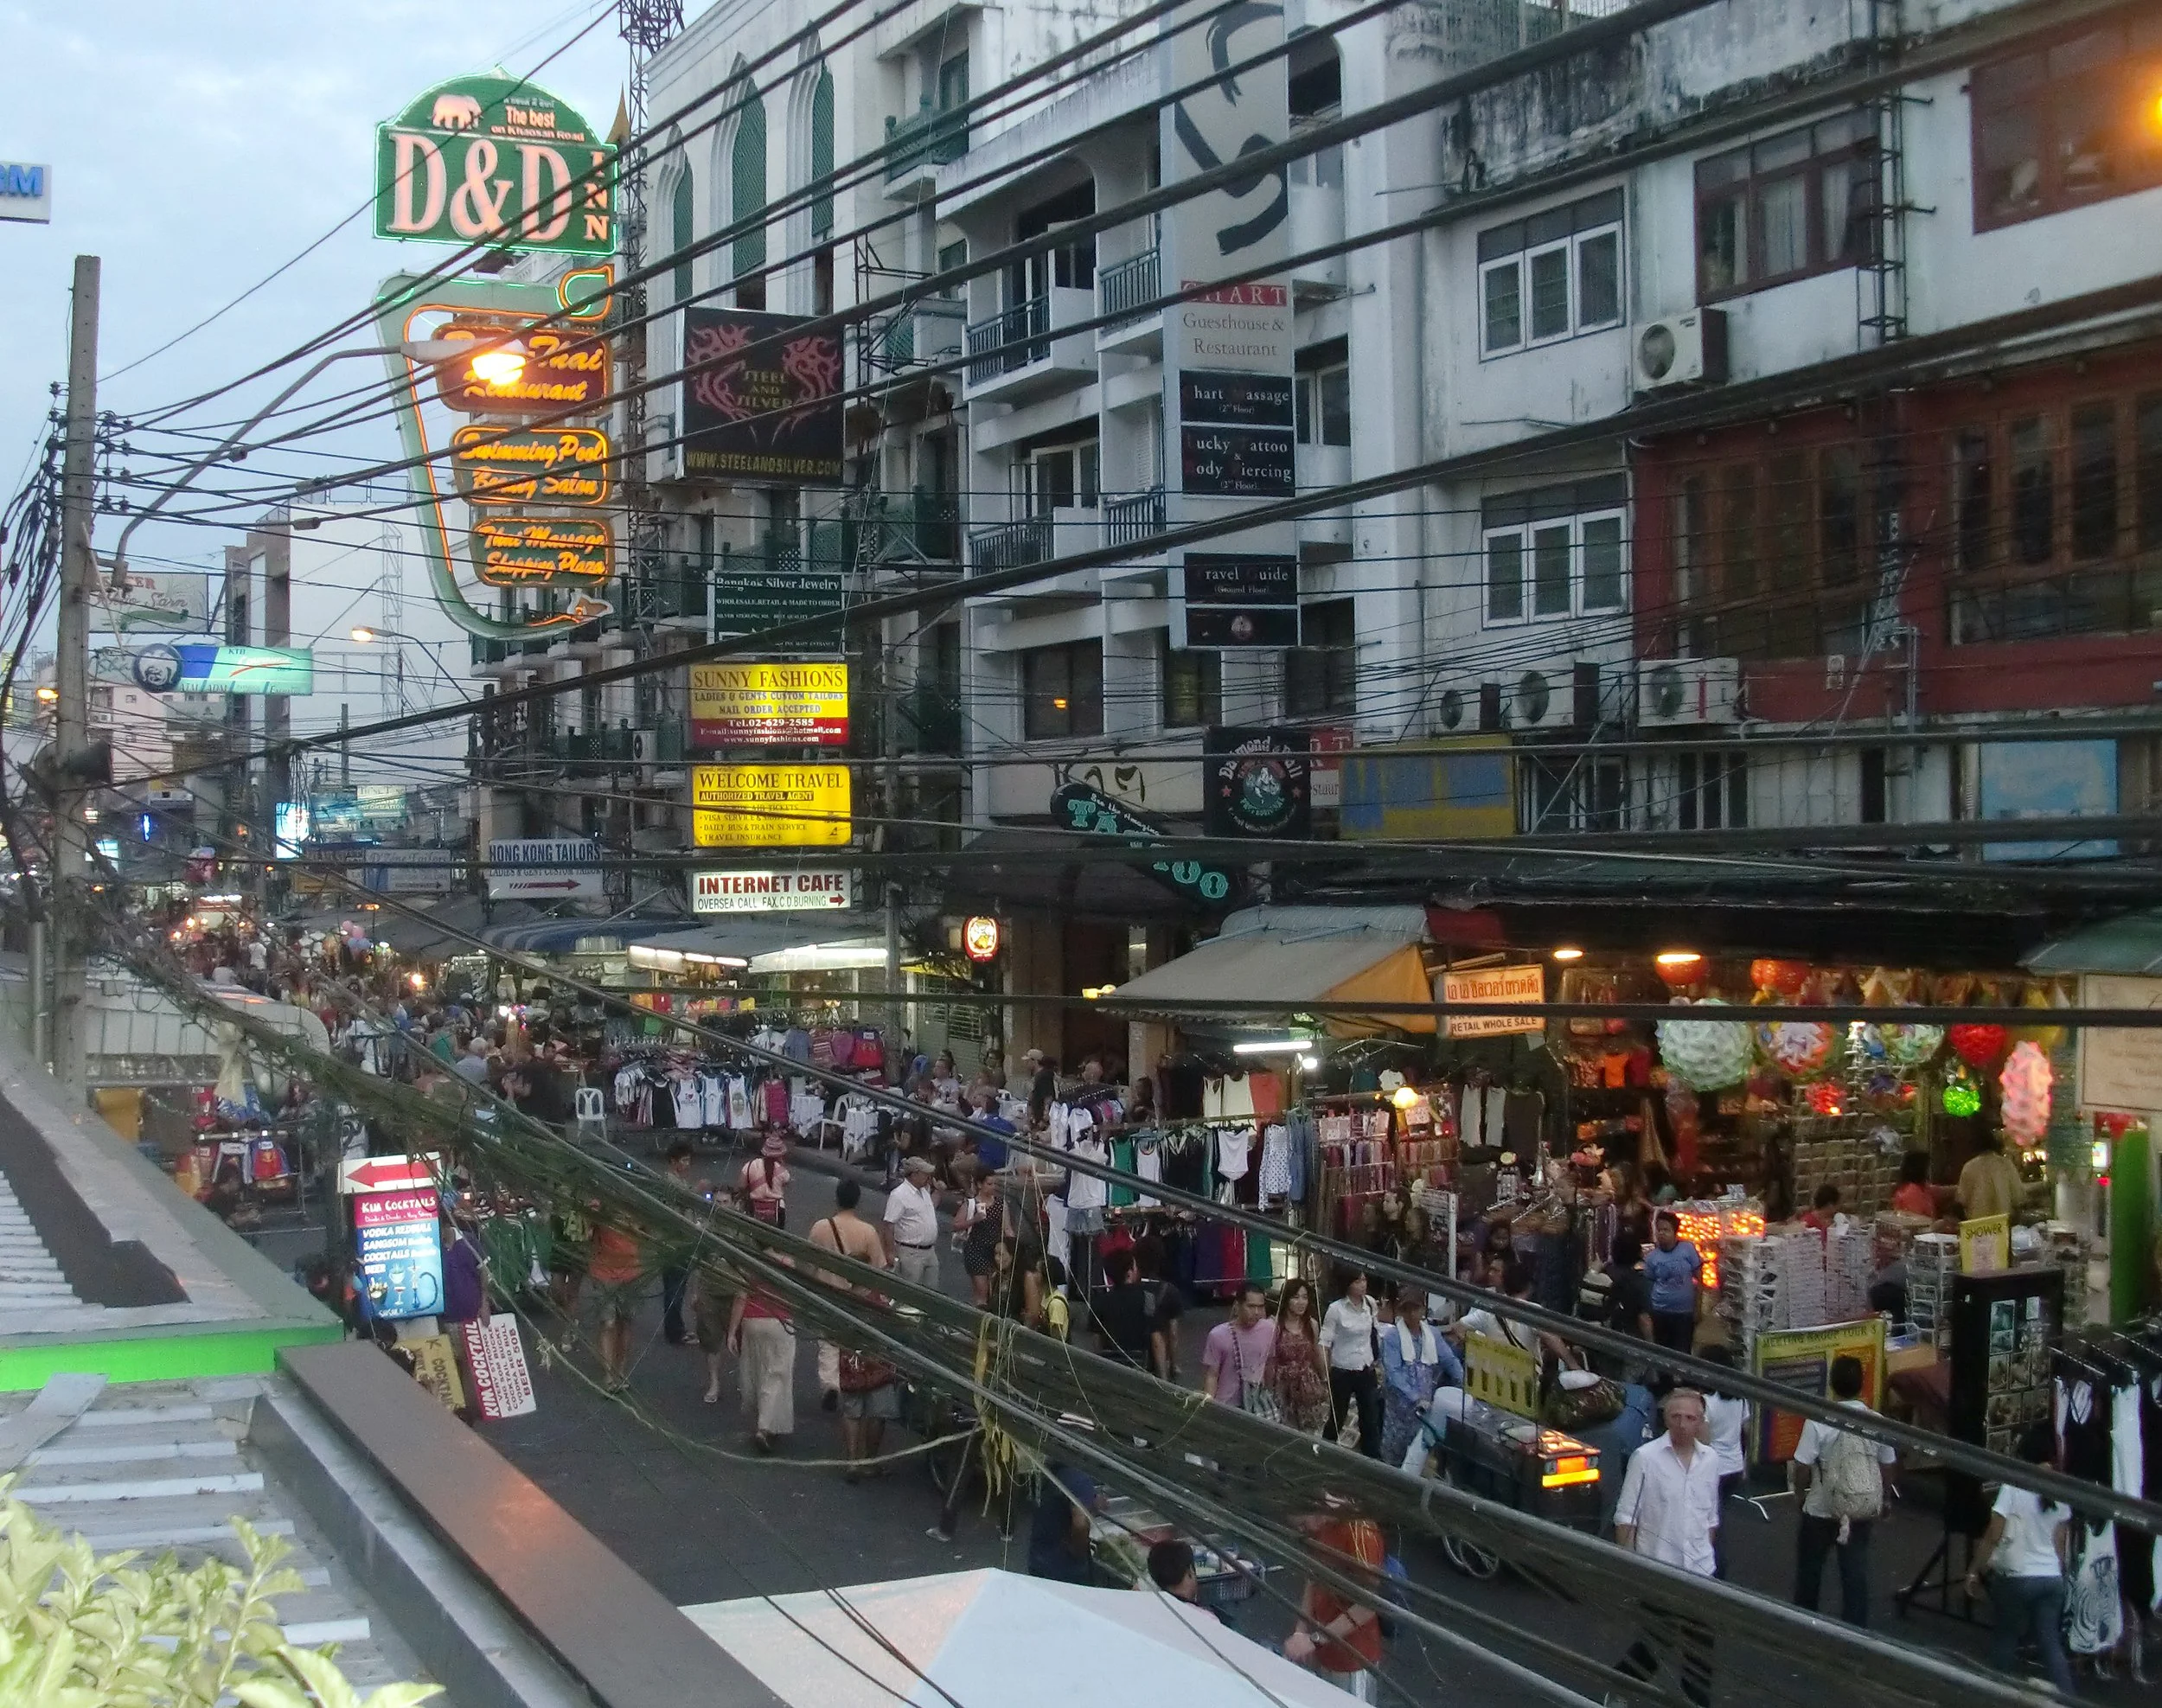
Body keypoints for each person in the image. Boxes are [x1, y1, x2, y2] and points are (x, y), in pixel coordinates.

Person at [1612, 1388, 1720, 1707]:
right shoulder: (1645, 1459)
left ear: (1700, 1421)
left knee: (1701, 1650)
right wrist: (1632, 1569)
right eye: (1676, 1417)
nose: (1683, 1424)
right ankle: (1621, 1685)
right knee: (1655, 1645)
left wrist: (1706, 1557)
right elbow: (1626, 1517)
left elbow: (1710, 1517)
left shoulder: (1710, 1460)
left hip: (1699, 1571)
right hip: (1658, 1571)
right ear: (1666, 1419)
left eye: (1690, 1418)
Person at [1964, 1422, 2077, 1696]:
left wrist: (1974, 1570)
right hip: (2051, 1579)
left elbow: (1994, 1533)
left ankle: (1997, 1695)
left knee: (2006, 1637)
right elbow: (2060, 1544)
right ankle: (2069, 1698)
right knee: (2050, 1644)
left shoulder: (2014, 1486)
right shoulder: (2061, 1490)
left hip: (2016, 1577)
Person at [1790, 1353, 1897, 1626]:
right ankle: (1854, 1632)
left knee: (1810, 1572)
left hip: (1820, 1508)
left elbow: (1802, 1465)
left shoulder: (1819, 1420)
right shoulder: (1876, 1421)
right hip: (1859, 1508)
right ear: (1862, 1384)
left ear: (1831, 1384)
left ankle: (1805, 1626)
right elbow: (1887, 1464)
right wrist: (1885, 1499)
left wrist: (1800, 1495)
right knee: (1854, 1575)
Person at [1284, 1505, 1385, 1701]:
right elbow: (1312, 1578)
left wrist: (1314, 1639)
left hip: (1353, 1658)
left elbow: (1368, 1605)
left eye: (1303, 1524)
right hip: (1324, 1650)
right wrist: (1301, 1631)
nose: (1304, 1530)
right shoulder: (1319, 1528)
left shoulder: (1360, 1531)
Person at [808, 1180, 887, 1412]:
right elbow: (878, 1268)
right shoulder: (868, 1232)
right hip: (857, 1297)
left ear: (837, 1199)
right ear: (857, 1201)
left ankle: (830, 1384)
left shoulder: (821, 1227)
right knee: (854, 1342)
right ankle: (855, 1379)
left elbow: (809, 1260)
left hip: (827, 1292)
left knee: (828, 1343)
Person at [1380, 1286, 1462, 1468]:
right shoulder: (1392, 1338)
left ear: (1423, 1309)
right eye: (1406, 1309)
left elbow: (1449, 1360)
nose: (1411, 1314)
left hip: (1425, 1408)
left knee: (1420, 1452)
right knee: (1395, 1453)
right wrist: (1415, 1397)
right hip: (1399, 1407)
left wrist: (1463, 1382)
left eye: (1415, 1308)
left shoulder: (1432, 1335)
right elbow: (1393, 1373)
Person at [1696, 1345, 1749, 1578]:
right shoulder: (1740, 1399)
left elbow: (1704, 1441)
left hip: (1713, 1471)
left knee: (1712, 1524)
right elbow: (1745, 1432)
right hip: (1734, 1467)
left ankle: (1716, 1572)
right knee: (1719, 1517)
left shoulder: (1705, 1402)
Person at [726, 1281, 796, 1452]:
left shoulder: (749, 1267)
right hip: (780, 1322)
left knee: (754, 1372)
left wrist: (732, 1332)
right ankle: (765, 1426)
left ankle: (760, 1418)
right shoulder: (789, 1266)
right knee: (776, 1376)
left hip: (752, 1321)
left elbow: (741, 1297)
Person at [1320, 1272, 1382, 1457]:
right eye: (1357, 1281)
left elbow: (1375, 1330)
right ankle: (1325, 1452)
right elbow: (1325, 1342)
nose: (1362, 1284)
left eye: (1364, 1280)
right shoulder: (1336, 1309)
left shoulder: (1370, 1303)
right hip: (1343, 1370)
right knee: (1337, 1417)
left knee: (1370, 1418)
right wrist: (1325, 1373)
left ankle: (1371, 1457)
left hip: (1366, 1367)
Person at [585, 1215, 644, 1394]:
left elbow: (646, 1232)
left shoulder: (637, 1208)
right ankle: (609, 1375)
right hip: (604, 1273)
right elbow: (586, 1232)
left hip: (631, 1272)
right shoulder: (600, 1207)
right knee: (608, 1323)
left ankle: (620, 1371)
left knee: (625, 1322)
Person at [1266, 1277, 1333, 1435]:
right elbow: (1270, 1360)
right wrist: (1268, 1389)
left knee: (1310, 1431)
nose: (1301, 1302)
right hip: (1283, 1386)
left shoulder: (1312, 1324)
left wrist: (1324, 1378)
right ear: (1286, 1299)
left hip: (1308, 1385)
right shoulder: (1274, 1325)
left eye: (1304, 1297)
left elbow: (1316, 1353)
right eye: (1296, 1297)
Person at [1201, 1283, 1278, 1410]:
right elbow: (1212, 1375)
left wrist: (1269, 1394)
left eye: (1260, 1307)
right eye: (1251, 1307)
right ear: (1238, 1305)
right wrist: (1208, 1405)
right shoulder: (1218, 1335)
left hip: (1256, 1404)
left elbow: (1269, 1364)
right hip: (1227, 1405)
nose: (1256, 1312)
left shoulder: (1269, 1329)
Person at [1027, 1461, 1102, 1583]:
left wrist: (1090, 1501)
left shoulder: (1049, 1472)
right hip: (1066, 1570)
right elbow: (1080, 1524)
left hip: (1038, 1559)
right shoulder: (1079, 1477)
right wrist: (1078, 1551)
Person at [1643, 1212, 1703, 1355]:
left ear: (1675, 1232)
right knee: (1662, 1352)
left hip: (1684, 1312)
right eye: (1659, 1230)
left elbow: (1699, 1279)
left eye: (1666, 1230)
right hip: (1660, 1311)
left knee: (1683, 1352)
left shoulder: (1688, 1249)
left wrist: (1698, 1307)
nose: (1662, 1233)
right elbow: (1650, 1283)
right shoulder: (1652, 1257)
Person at [883, 1154, 943, 1289]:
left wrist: (939, 1192)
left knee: (932, 1290)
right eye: (925, 1174)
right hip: (910, 1252)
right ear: (914, 1175)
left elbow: (929, 1208)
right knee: (910, 1291)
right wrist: (890, 1252)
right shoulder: (899, 1195)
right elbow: (888, 1225)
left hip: (930, 1251)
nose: (929, 1177)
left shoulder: (925, 1191)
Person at [1090, 1249, 1157, 1369]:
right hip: (1140, 1363)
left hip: (1110, 1364)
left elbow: (1097, 1342)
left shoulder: (1099, 1302)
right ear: (1129, 1272)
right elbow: (1155, 1338)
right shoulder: (1147, 1298)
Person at [658, 1141, 697, 1346]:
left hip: (678, 1242)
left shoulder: (677, 1181)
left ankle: (675, 1328)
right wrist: (697, 1190)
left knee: (676, 1288)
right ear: (673, 1162)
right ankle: (675, 1331)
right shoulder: (671, 1184)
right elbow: (681, 1206)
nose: (687, 1164)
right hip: (674, 1244)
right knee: (675, 1290)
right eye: (684, 1160)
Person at [954, 1173, 1004, 1307]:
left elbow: (1007, 1227)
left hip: (995, 1251)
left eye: (995, 1184)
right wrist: (974, 1220)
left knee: (993, 1289)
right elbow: (956, 1225)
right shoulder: (971, 1203)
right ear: (980, 1184)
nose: (993, 1187)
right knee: (982, 1290)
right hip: (976, 1250)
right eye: (989, 1184)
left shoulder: (1000, 1204)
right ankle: (980, 1311)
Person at [1957, 1132, 2023, 1222]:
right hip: (2003, 1223)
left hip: (1977, 1225)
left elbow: (1962, 1200)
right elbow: (2018, 1198)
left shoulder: (1969, 1167)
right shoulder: (2006, 1165)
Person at [738, 1134, 790, 1226]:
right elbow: (786, 1182)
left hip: (754, 1207)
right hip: (777, 1209)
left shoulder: (750, 1165)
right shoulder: (782, 1171)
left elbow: (741, 1186)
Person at [1890, 1151, 1938, 1219]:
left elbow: (1937, 1190)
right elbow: (1918, 1221)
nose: (1929, 1171)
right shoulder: (1912, 1191)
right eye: (1928, 1167)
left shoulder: (1921, 1187)